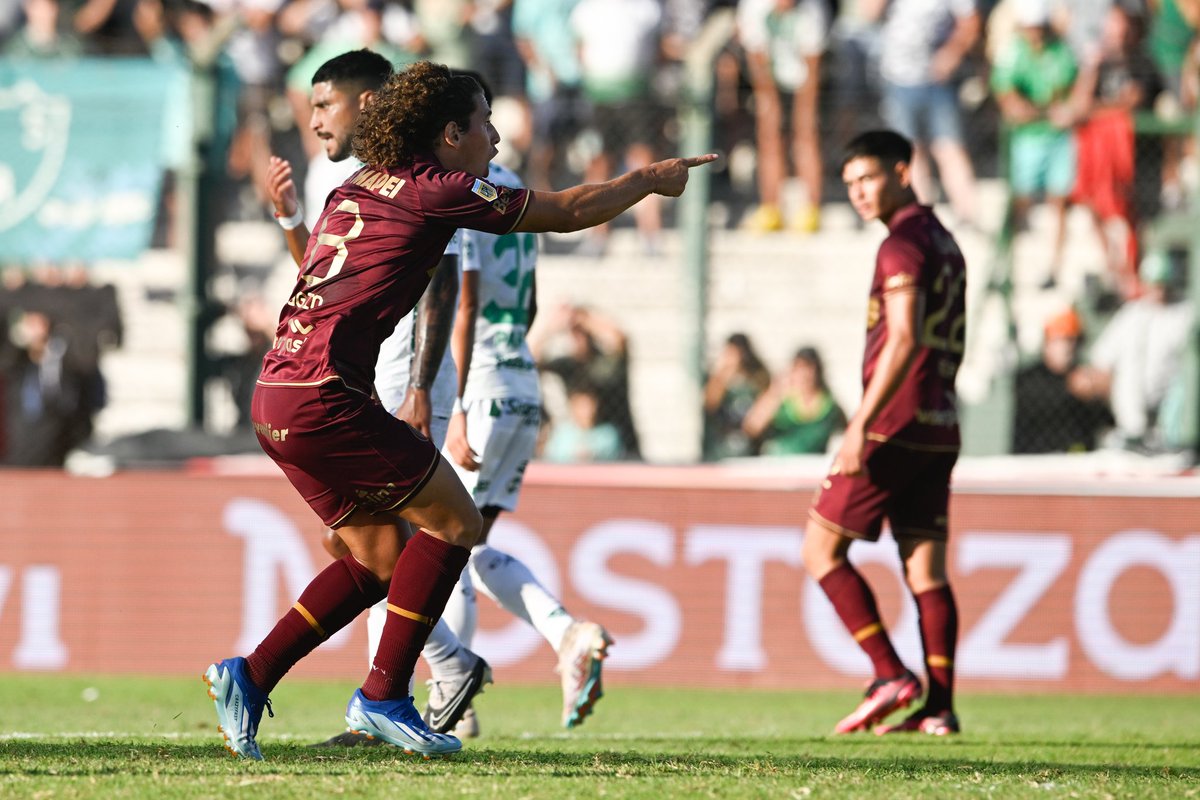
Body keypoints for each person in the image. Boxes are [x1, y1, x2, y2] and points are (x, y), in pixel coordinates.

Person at [204, 59, 714, 761]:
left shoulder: (356, 185)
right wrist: (648, 180)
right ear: (449, 134)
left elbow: (320, 276)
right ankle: (384, 697)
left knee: (379, 558)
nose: (495, 139)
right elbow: (566, 212)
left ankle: (250, 676)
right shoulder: (436, 190)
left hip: (275, 394)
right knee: (456, 522)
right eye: (484, 123)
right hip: (326, 395)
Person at [263, 49, 491, 748]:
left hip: (399, 379)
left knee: (431, 532)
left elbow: (444, 283)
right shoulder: (349, 179)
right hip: (346, 381)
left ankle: (407, 692)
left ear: (367, 104)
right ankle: (421, 680)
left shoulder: (434, 177)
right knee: (365, 546)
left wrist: (422, 386)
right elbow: (321, 277)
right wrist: (289, 220)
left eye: (324, 105)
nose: (313, 121)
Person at [439, 156, 613, 736]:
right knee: (471, 545)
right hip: (520, 378)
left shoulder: (461, 190)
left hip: (479, 385)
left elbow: (464, 301)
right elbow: (531, 301)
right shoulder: (514, 187)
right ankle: (567, 634)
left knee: (444, 546)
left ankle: (454, 701)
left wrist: (456, 403)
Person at [801, 129, 965, 737]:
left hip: (892, 424)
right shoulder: (943, 240)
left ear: (902, 171)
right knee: (925, 570)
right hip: (939, 421)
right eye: (850, 184)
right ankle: (940, 707)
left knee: (819, 550)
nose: (859, 193)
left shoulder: (901, 245)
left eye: (868, 178)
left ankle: (889, 673)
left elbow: (903, 339)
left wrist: (860, 425)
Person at [990, 0, 1080, 290]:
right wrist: (1038, 110)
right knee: (1020, 202)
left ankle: (1054, 267)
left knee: (1059, 201)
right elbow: (1008, 97)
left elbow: (1068, 90)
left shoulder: (1061, 50)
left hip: (1057, 139)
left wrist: (1052, 110)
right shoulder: (1012, 52)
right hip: (1027, 140)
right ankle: (1005, 265)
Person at [866, 0, 980, 229]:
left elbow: (971, 22)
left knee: (949, 147)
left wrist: (951, 53)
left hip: (938, 80)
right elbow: (868, 13)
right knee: (909, 152)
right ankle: (920, 216)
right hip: (897, 78)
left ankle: (968, 215)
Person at [1068, 250, 1194, 450]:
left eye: (1161, 284)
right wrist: (1089, 379)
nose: (1157, 291)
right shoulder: (1132, 314)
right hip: (1133, 409)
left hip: (1170, 404)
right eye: (1153, 284)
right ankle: (1134, 435)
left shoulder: (1184, 312)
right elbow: (1101, 359)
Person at [531, 304, 641, 459]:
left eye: (582, 333)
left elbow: (620, 340)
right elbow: (531, 361)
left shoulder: (604, 364)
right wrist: (551, 329)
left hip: (618, 446)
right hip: (579, 443)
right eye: (574, 333)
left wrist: (584, 318)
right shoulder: (568, 365)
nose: (578, 338)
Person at [1011, 307, 1112, 453]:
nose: (1067, 347)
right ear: (1047, 343)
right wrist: (1072, 388)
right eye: (1060, 340)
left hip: (1076, 461)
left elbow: (1105, 421)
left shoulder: (1084, 377)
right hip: (1034, 460)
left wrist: (1100, 393)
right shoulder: (1029, 378)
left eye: (1072, 341)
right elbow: (1043, 401)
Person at [743, 346, 846, 455]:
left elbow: (845, 430)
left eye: (809, 368)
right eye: (799, 368)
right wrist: (775, 392)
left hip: (813, 463)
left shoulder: (829, 406)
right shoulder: (783, 401)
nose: (805, 374)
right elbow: (752, 427)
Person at [702, 332, 772, 460]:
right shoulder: (716, 379)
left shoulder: (758, 380)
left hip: (748, 450)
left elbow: (755, 423)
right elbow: (710, 403)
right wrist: (725, 372)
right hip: (718, 448)